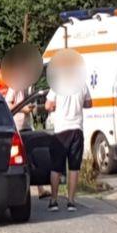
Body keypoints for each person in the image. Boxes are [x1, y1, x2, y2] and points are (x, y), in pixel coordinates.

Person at [45, 80, 92, 212]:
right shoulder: (82, 85)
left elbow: (48, 105)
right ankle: (71, 201)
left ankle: (54, 201)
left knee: (56, 168)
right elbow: (89, 103)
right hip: (77, 130)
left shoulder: (58, 85)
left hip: (61, 131)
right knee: (74, 167)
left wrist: (56, 106)